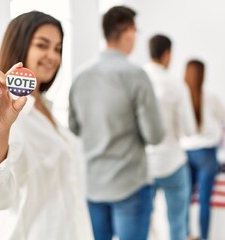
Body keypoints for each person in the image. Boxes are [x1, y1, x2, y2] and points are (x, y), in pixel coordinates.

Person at [0, 11, 93, 240]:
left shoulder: (46, 109)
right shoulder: (9, 114)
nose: (52, 56)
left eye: (58, 48)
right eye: (42, 45)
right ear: (20, 46)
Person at [68, 6, 164, 240]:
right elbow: (154, 135)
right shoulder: (135, 75)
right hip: (129, 183)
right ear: (129, 31)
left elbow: (74, 127)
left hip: (94, 184)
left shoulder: (81, 76)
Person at [180, 60, 225, 240]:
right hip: (206, 153)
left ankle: (186, 235)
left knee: (184, 199)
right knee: (204, 200)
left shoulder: (181, 98)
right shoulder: (211, 98)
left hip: (185, 152)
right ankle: (204, 237)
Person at [143, 34, 191, 240]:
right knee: (177, 221)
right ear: (167, 54)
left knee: (143, 221)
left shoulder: (137, 79)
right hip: (172, 161)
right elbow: (187, 130)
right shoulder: (175, 84)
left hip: (143, 164)